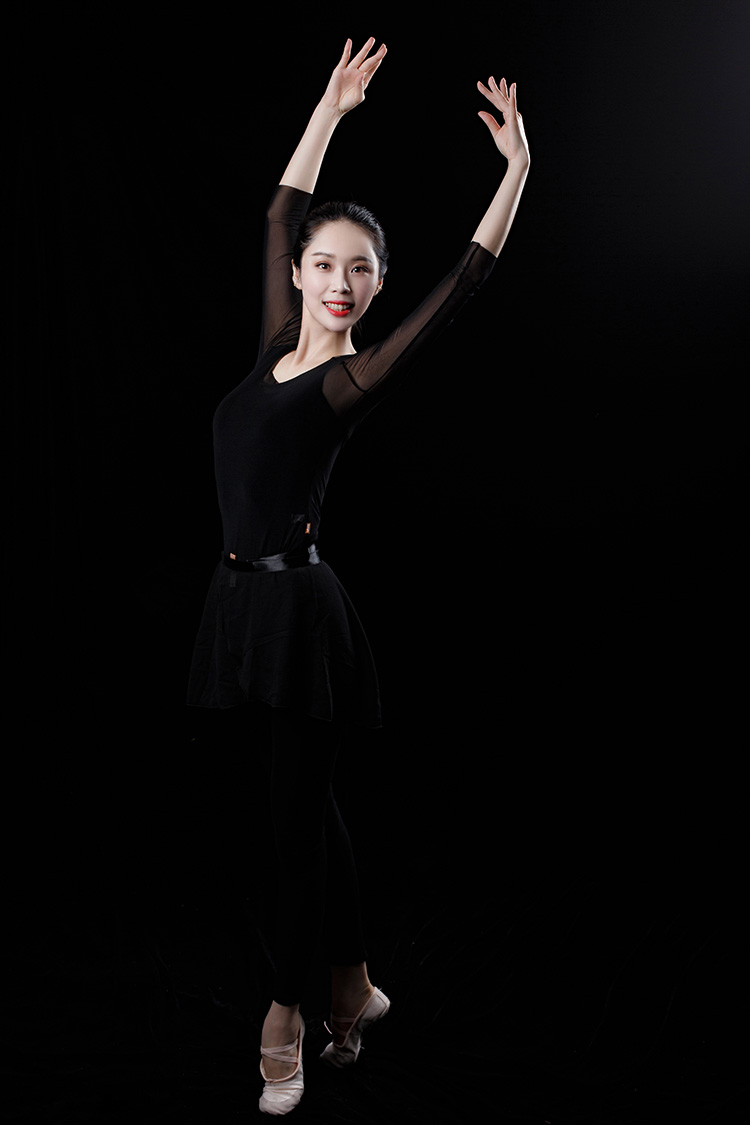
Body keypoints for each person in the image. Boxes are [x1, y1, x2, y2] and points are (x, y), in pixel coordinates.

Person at [187, 36, 530, 1116]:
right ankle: (354, 983)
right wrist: (331, 110)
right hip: (237, 604)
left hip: (299, 617)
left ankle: (286, 1018)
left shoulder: (348, 381)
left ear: (376, 287)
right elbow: (281, 209)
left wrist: (517, 171)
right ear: (300, 274)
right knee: (300, 809)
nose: (341, 283)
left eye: (362, 271)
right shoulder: (273, 347)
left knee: (293, 829)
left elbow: (464, 285)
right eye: (327, 264)